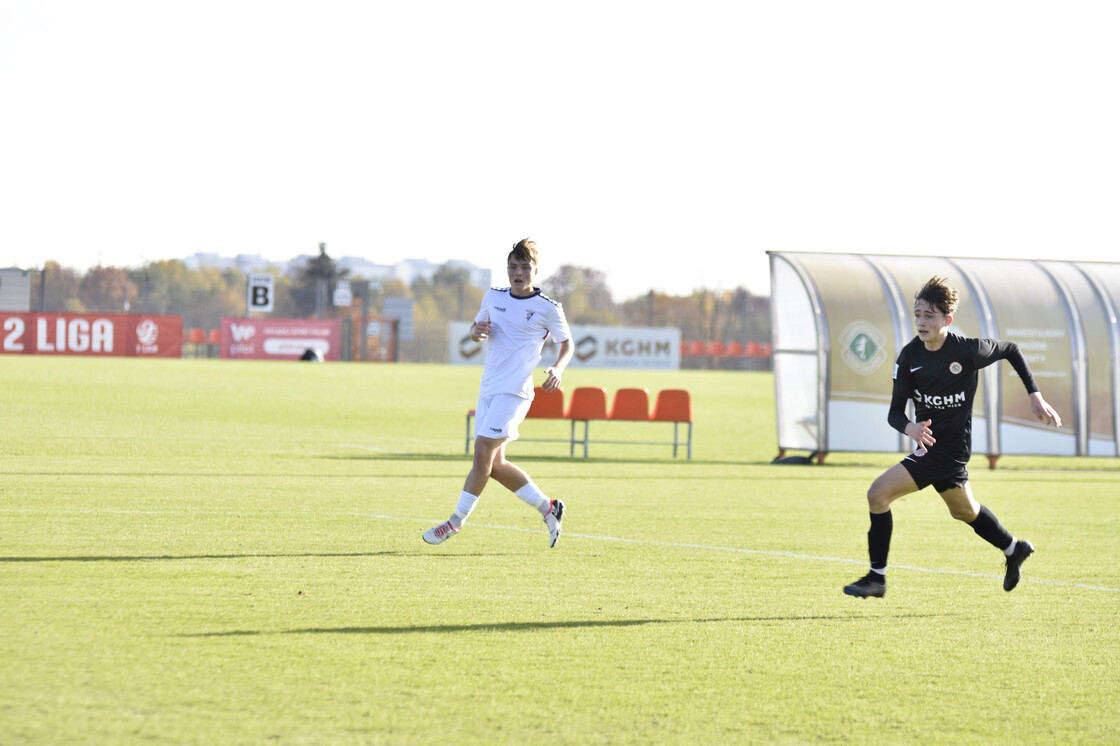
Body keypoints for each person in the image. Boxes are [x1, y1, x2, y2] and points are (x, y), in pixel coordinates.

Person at [844, 276, 1062, 598]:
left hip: (948, 450)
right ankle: (1013, 548)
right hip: (934, 446)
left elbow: (1010, 350)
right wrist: (910, 428)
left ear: (948, 320)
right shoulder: (908, 358)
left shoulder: (968, 351)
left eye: (929, 315)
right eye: (917, 314)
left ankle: (877, 578)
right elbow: (894, 413)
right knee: (964, 510)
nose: (921, 321)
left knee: (878, 494)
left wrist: (1035, 395)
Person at [423, 238, 574, 548]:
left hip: (515, 391)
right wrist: (475, 332)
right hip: (489, 388)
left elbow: (567, 343)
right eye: (513, 267)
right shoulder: (493, 296)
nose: (518, 273)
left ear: (535, 270)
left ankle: (454, 523)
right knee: (494, 466)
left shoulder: (547, 307)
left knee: (481, 454)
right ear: (507, 269)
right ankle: (549, 507)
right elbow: (477, 329)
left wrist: (557, 369)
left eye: (524, 267)